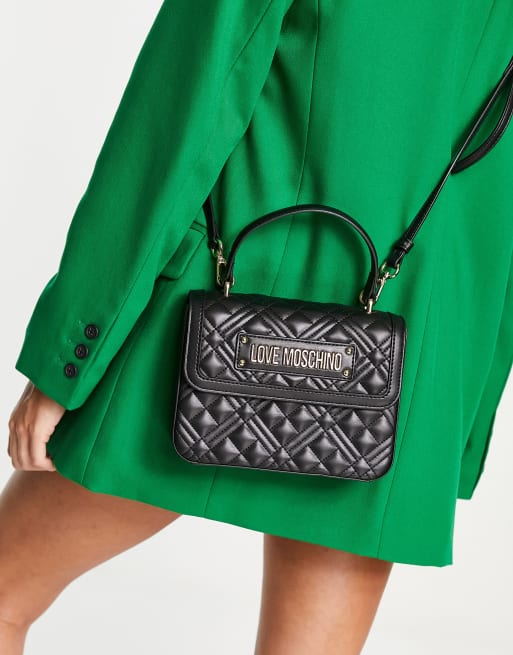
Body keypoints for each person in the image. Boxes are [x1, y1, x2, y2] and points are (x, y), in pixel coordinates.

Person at [4, 1, 513, 653]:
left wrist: (71, 349)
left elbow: (187, 101)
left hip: (209, 328)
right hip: (392, 371)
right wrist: (456, 422)